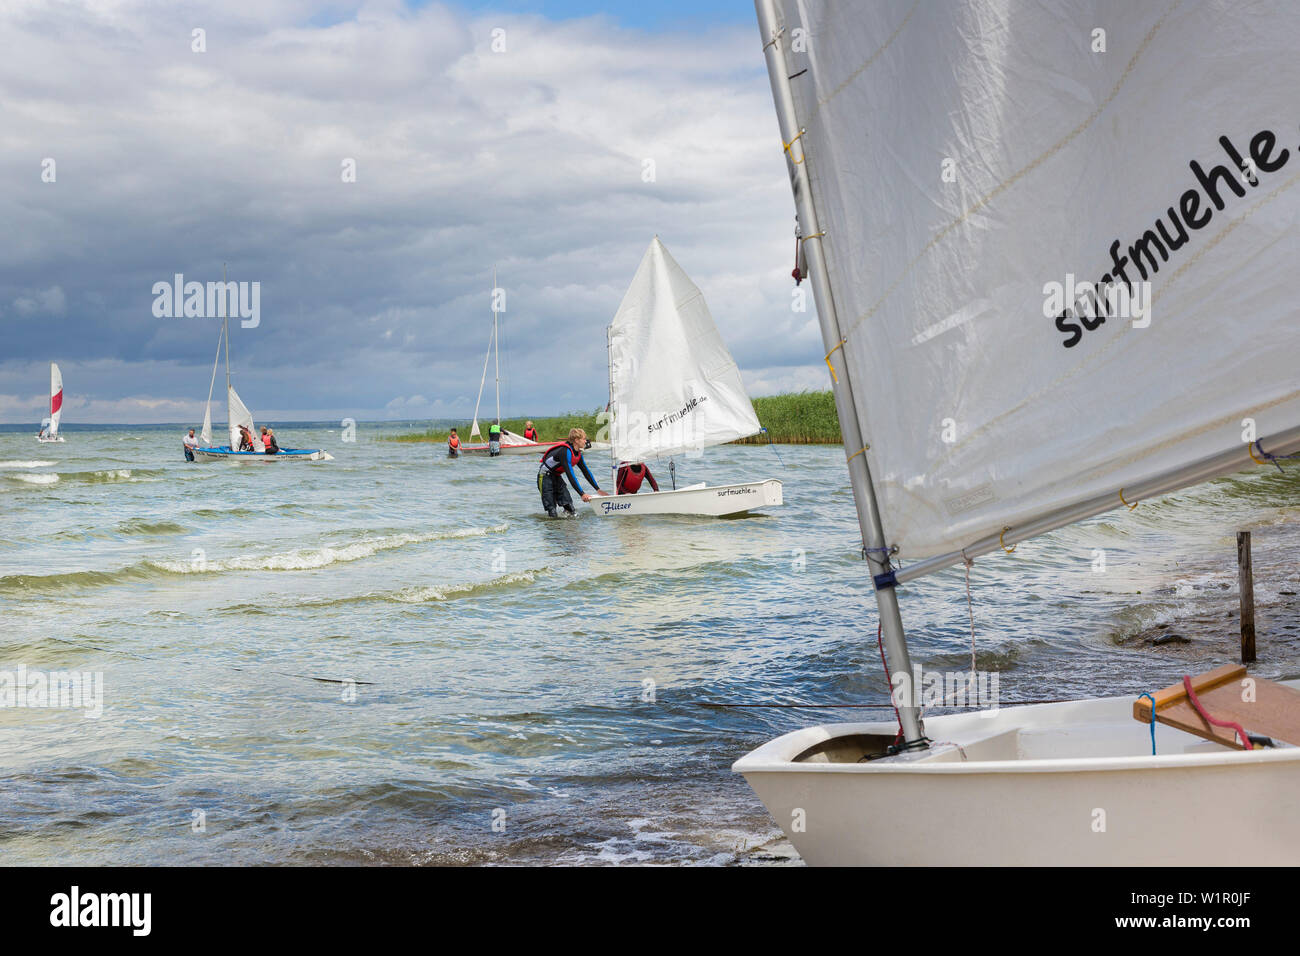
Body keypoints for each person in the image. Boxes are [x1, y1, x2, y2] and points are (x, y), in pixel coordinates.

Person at [537, 428, 607, 517]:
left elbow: (586, 471)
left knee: (570, 508)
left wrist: (598, 489)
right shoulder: (565, 452)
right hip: (544, 477)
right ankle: (553, 529)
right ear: (577, 440)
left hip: (557, 476)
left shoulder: (577, 453)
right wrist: (582, 494)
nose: (586, 441)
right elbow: (570, 475)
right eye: (584, 439)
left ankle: (570, 528)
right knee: (552, 511)